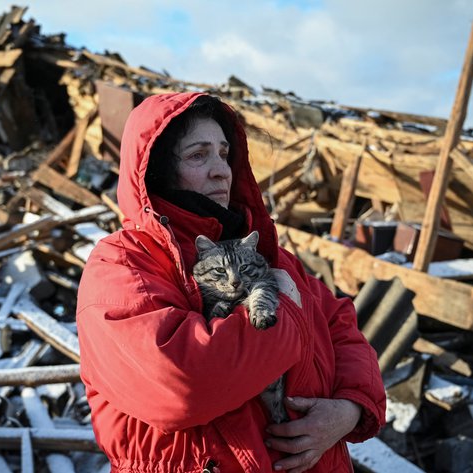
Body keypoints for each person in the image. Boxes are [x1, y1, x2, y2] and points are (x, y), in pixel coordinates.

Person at [77, 92, 386, 473]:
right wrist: (283, 307)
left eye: (224, 154)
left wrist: (349, 409)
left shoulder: (271, 256)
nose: (221, 170)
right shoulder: (123, 264)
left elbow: (343, 328)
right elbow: (184, 384)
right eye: (198, 155)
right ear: (157, 169)